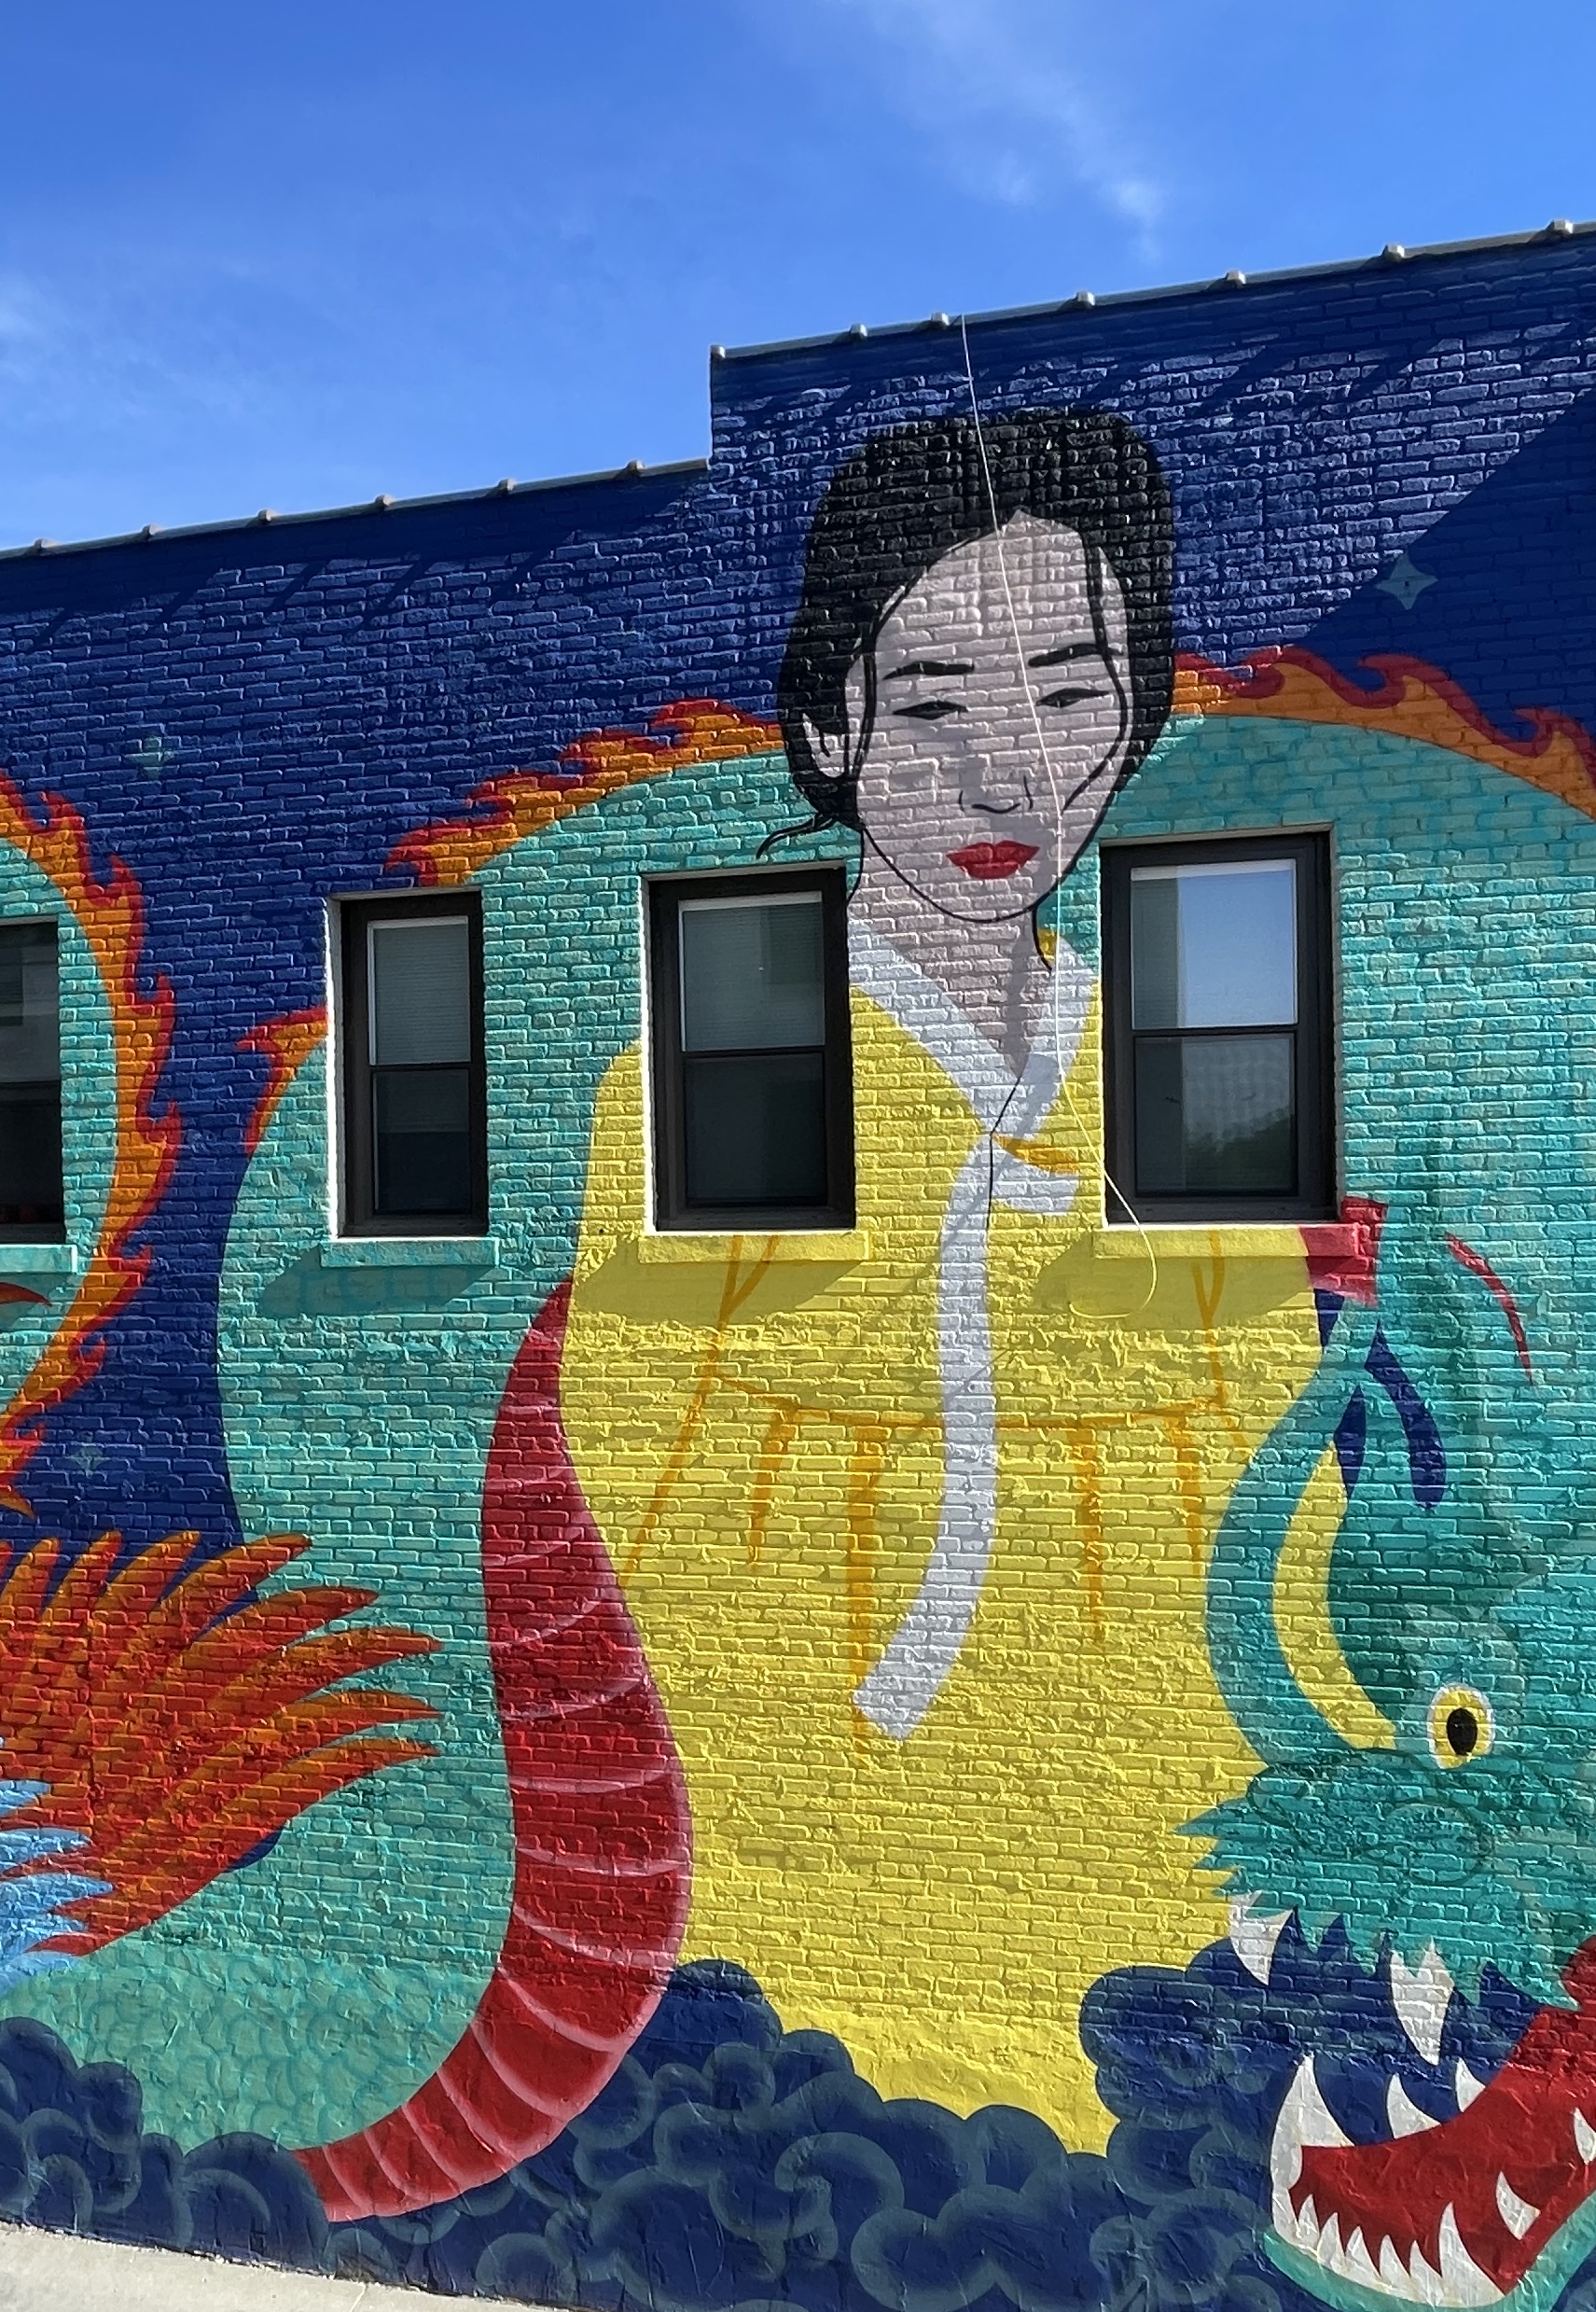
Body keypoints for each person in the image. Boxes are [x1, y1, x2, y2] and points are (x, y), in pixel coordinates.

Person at [555, 408, 1332, 2148]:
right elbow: (635, 1470)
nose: (1013, 778)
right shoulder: (708, 1061)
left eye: (1070, 694)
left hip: (1170, 1826)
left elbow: (1293, 1473)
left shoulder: (1193, 1064)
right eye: (932, 706)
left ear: (1140, 708)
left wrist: (1307, 1783)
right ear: (829, 723)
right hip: (808, 1850)